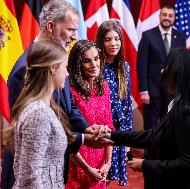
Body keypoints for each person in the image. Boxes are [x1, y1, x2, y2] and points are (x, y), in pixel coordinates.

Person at [2, 1, 111, 188]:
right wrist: (84, 139)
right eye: (70, 29)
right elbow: (34, 135)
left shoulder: (58, 59)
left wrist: (87, 129)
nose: (75, 36)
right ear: (51, 26)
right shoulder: (25, 69)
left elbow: (68, 106)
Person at [100, 49, 190, 189]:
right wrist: (112, 136)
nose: (162, 72)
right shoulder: (181, 103)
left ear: (181, 75)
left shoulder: (189, 112)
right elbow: (157, 135)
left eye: (167, 68)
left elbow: (189, 164)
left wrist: (145, 165)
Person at [7, 40, 70, 188]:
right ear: (53, 68)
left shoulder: (43, 107)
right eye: (66, 67)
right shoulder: (38, 114)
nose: (67, 73)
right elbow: (30, 177)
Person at [65, 40, 115, 189]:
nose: (94, 64)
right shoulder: (70, 91)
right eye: (87, 61)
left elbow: (109, 127)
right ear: (78, 64)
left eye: (96, 58)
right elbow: (68, 137)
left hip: (100, 166)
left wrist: (108, 162)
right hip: (77, 165)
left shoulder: (104, 87)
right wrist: (87, 169)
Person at [137, 5, 186, 143]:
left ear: (174, 18)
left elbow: (182, 63)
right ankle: (148, 157)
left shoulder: (180, 37)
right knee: (151, 127)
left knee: (170, 125)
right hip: (152, 90)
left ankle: (164, 155)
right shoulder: (148, 35)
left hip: (172, 90)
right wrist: (143, 90)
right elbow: (142, 64)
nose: (167, 18)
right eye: (164, 15)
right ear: (159, 16)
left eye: (170, 16)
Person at [96, 20, 133, 186]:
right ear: (101, 42)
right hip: (99, 129)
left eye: (117, 39)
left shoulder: (124, 67)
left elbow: (126, 106)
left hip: (119, 131)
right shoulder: (95, 66)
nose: (113, 43)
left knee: (110, 177)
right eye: (108, 39)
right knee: (98, 174)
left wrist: (129, 141)